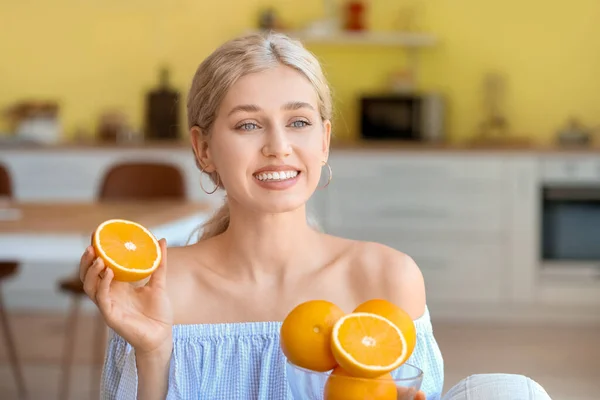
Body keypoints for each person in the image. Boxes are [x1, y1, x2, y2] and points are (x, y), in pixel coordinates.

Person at [79, 31, 551, 400]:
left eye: (298, 122)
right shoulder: (158, 288)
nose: (279, 147)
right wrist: (154, 350)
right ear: (203, 149)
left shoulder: (386, 278)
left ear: (323, 141)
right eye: (248, 124)